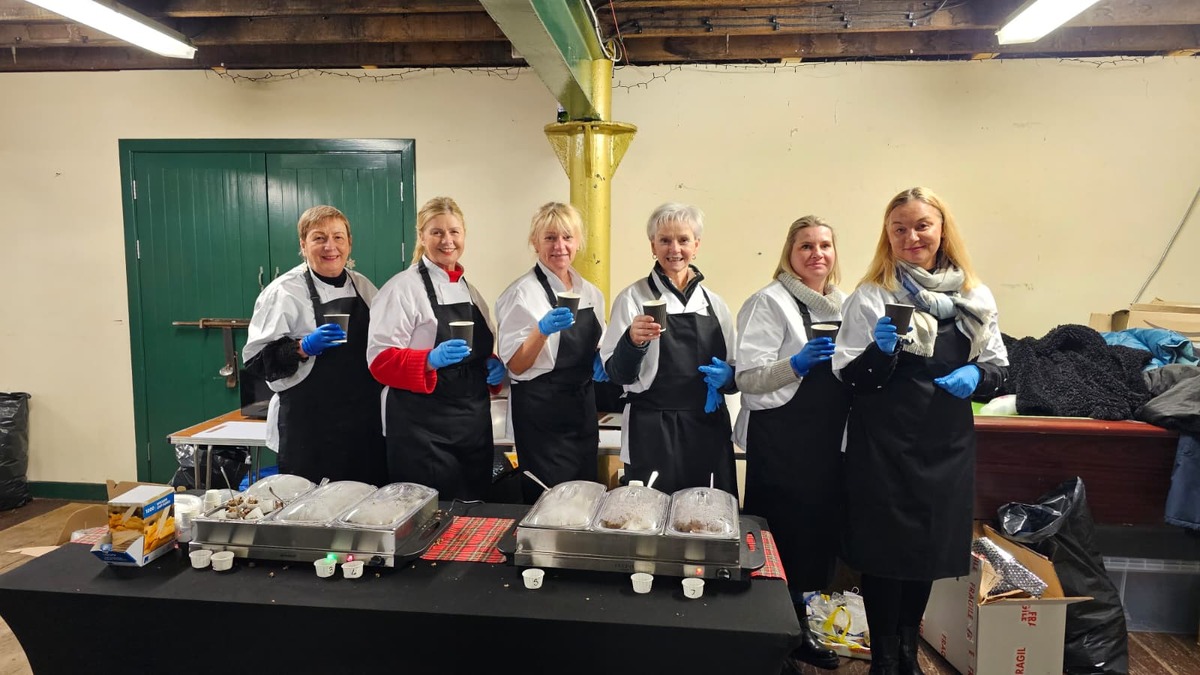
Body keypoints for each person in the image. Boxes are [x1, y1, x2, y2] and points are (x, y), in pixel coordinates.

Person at [832, 188, 1008, 675]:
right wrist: (880, 352)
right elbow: (849, 375)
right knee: (885, 551)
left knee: (928, 551)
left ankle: (909, 651)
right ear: (887, 236)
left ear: (942, 229)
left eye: (922, 225)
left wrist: (978, 377)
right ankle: (885, 656)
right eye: (899, 228)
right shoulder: (872, 294)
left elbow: (998, 368)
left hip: (945, 442)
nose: (911, 236)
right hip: (883, 442)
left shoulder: (974, 295)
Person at [734, 216, 847, 671]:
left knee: (815, 541)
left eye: (824, 245)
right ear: (790, 252)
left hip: (826, 442)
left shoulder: (845, 303)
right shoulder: (769, 302)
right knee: (780, 538)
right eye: (806, 246)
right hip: (781, 440)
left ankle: (801, 631)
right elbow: (748, 376)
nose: (817, 254)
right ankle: (771, 641)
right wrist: (796, 364)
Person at [367, 197, 506, 501]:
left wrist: (492, 366)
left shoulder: (470, 290)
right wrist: (429, 360)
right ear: (422, 236)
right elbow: (379, 362)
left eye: (454, 232)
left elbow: (477, 350)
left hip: (472, 427)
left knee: (474, 511)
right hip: (421, 431)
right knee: (427, 517)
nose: (447, 241)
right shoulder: (402, 289)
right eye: (437, 232)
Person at [599, 203, 737, 495]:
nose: (674, 248)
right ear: (653, 246)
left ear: (696, 245)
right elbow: (617, 374)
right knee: (649, 513)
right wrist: (632, 342)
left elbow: (736, 369)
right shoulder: (633, 298)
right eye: (664, 240)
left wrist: (728, 378)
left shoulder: (715, 304)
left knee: (707, 514)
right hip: (651, 428)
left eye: (683, 240)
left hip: (706, 425)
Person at [243, 205, 386, 486]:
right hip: (309, 429)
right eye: (319, 238)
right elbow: (257, 362)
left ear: (349, 243)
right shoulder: (284, 292)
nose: (330, 246)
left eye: (338, 237)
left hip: (362, 425)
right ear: (303, 245)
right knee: (309, 511)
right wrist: (301, 348)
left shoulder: (363, 286)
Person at [496, 203, 608, 504]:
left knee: (585, 498)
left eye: (567, 237)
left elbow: (598, 343)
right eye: (550, 238)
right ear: (535, 242)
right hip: (540, 416)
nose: (560, 246)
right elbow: (517, 366)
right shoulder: (521, 294)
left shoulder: (591, 292)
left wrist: (601, 359)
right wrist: (541, 330)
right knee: (549, 502)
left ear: (578, 241)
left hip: (581, 411)